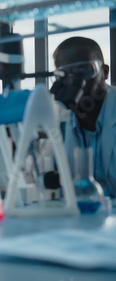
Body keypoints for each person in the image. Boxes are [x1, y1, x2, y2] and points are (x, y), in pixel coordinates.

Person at [51, 36, 116, 198]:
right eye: (64, 74)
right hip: (83, 218)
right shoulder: (61, 123)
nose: (73, 80)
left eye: (82, 71)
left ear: (105, 72)